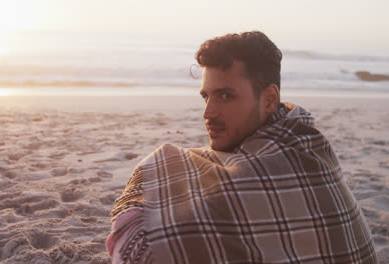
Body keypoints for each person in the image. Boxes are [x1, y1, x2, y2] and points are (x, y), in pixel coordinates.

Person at [106, 31, 377, 264]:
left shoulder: (302, 157)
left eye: (226, 96)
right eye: (205, 96)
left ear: (270, 99)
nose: (208, 113)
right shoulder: (302, 139)